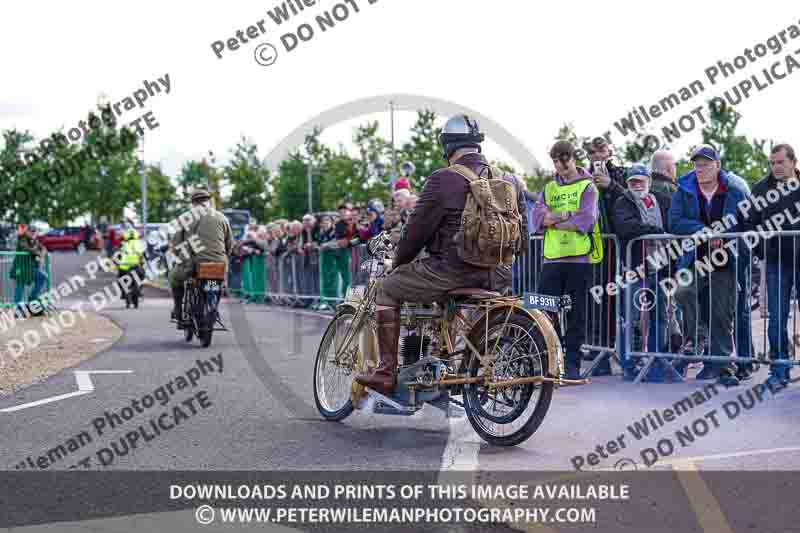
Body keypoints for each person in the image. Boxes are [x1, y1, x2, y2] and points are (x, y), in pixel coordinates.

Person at [354, 115, 529, 394]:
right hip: (497, 273)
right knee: (448, 305)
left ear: (447, 145)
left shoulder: (444, 178)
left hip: (451, 271)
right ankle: (446, 366)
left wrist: (398, 264)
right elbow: (523, 236)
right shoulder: (508, 179)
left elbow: (415, 233)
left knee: (387, 290)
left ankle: (386, 372)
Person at [670, 144, 750, 387]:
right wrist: (704, 231)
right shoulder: (683, 188)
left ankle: (723, 366)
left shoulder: (735, 190)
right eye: (697, 164)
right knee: (683, 291)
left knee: (722, 312)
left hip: (726, 259)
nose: (700, 168)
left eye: (705, 163)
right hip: (696, 258)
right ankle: (696, 337)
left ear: (717, 165)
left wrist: (723, 235)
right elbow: (674, 222)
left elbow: (745, 221)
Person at [532, 140, 601, 380]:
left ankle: (572, 365)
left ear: (574, 158)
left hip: (578, 261)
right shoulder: (549, 188)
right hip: (552, 260)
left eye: (565, 160)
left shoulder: (588, 187)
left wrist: (554, 219)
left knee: (575, 314)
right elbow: (537, 219)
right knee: (544, 311)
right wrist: (565, 215)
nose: (561, 166)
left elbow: (585, 221)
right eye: (556, 161)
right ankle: (549, 363)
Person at [613, 164, 673, 380]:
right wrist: (656, 232)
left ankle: (656, 361)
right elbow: (626, 227)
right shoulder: (623, 202)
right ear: (627, 184)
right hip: (633, 265)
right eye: (632, 182)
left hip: (660, 265)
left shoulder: (662, 200)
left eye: (640, 180)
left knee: (660, 314)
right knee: (631, 316)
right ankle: (629, 364)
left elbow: (672, 225)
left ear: (649, 180)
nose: (637, 185)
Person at [749, 144, 800, 388]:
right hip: (776, 263)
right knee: (777, 318)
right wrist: (762, 250)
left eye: (780, 162)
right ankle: (780, 370)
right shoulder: (761, 189)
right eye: (772, 163)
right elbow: (750, 222)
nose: (776, 167)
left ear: (793, 162)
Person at [169, 188, 234, 321]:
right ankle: (213, 307)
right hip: (217, 262)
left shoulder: (185, 218)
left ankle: (178, 310)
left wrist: (179, 256)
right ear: (208, 201)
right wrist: (223, 257)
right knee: (217, 284)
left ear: (193, 203)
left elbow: (175, 245)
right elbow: (230, 244)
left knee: (174, 277)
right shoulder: (222, 218)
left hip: (193, 264)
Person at [11, 224, 48, 317]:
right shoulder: (22, 238)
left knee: (42, 277)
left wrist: (42, 255)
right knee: (20, 287)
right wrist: (38, 253)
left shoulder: (34, 240)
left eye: (34, 231)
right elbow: (27, 249)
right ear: (26, 232)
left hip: (29, 268)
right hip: (20, 267)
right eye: (31, 231)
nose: (32, 233)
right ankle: (16, 310)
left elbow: (43, 248)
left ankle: (32, 299)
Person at [117, 228, 146, 300]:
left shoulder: (123, 244)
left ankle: (123, 293)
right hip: (137, 266)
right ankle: (139, 290)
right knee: (142, 276)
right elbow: (144, 255)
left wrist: (117, 262)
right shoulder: (140, 244)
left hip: (124, 267)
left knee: (120, 279)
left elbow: (118, 256)